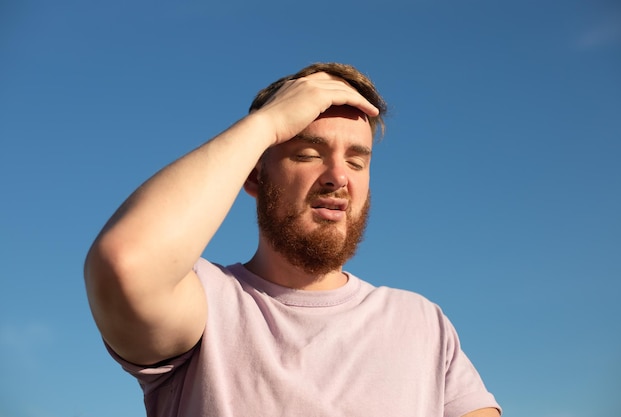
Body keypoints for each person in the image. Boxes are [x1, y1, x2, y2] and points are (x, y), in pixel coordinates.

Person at [84, 62, 501, 417]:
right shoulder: (208, 305)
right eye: (307, 154)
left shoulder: (422, 323)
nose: (339, 177)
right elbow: (125, 262)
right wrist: (266, 125)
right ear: (253, 174)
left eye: (357, 161)